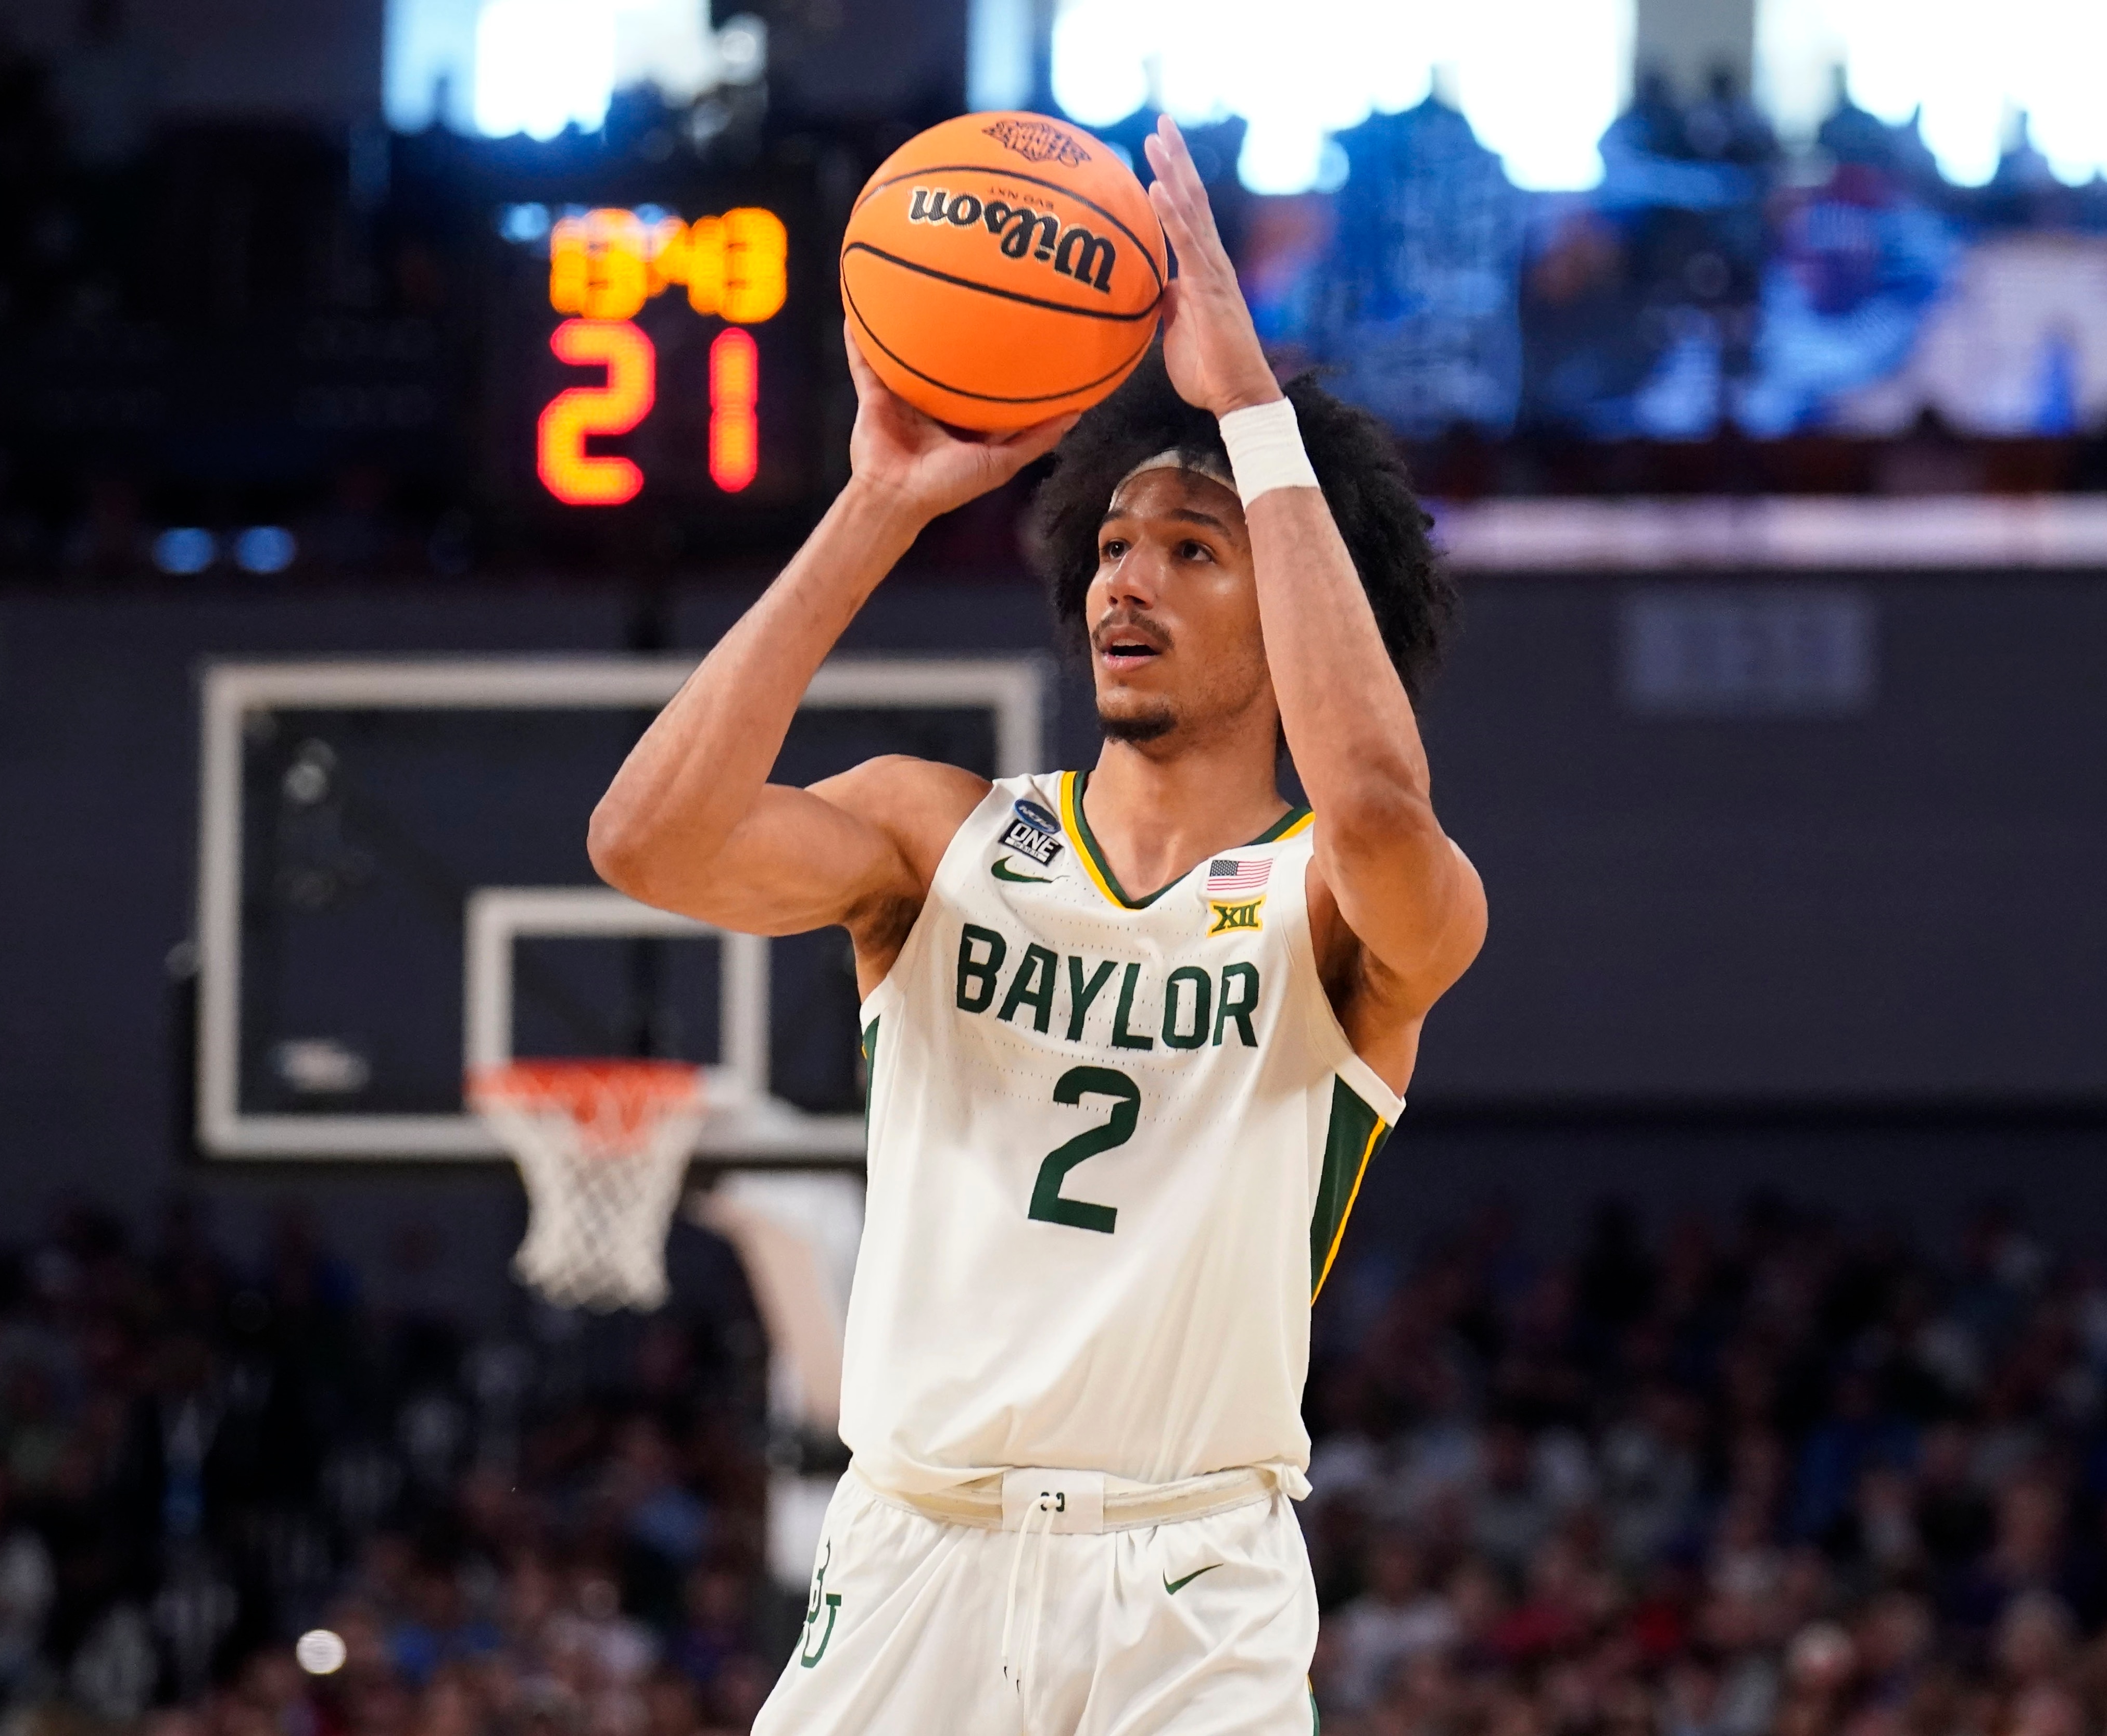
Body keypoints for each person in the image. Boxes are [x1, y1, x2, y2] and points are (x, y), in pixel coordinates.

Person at [589, 115, 1486, 1735]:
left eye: (1191, 553)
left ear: (1285, 603)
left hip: (1190, 1589)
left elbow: (1376, 812)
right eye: (1114, 548)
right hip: (915, 1552)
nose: (1124, 584)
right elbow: (648, 843)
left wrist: (1257, 423)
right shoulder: (940, 838)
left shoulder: (1343, 906)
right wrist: (874, 505)